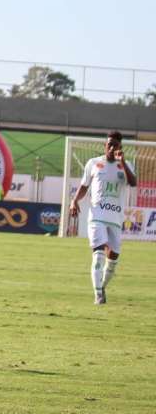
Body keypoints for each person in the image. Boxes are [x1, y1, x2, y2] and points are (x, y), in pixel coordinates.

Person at [68, 130, 137, 304]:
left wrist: (123, 162)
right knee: (98, 252)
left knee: (113, 256)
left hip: (115, 217)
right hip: (97, 215)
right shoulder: (93, 163)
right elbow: (84, 186)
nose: (112, 147)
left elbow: (133, 182)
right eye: (110, 144)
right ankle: (98, 295)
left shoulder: (126, 164)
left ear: (121, 147)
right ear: (104, 146)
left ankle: (102, 286)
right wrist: (74, 201)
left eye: (116, 145)